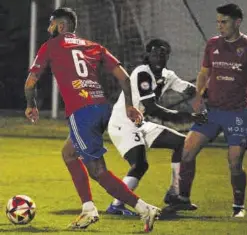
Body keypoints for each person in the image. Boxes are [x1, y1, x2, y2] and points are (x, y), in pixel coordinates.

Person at [24, 7, 161, 232]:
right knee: (69, 153)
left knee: (98, 171)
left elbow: (31, 82)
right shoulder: (93, 46)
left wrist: (31, 105)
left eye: (51, 24)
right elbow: (125, 78)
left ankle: (144, 208)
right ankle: (88, 209)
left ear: (61, 26)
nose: (48, 29)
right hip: (101, 107)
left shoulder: (50, 46)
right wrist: (129, 106)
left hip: (82, 112)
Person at [169, 3, 247, 218]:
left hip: (237, 114)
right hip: (211, 111)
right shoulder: (212, 44)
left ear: (237, 22)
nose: (220, 26)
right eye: (218, 22)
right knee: (187, 151)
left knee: (235, 163)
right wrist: (199, 96)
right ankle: (183, 199)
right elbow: (203, 73)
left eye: (224, 22)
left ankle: (238, 206)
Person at [105, 38, 208, 216]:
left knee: (182, 143)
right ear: (147, 55)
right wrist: (189, 117)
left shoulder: (168, 75)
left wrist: (210, 91)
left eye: (162, 53)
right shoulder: (142, 73)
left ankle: (175, 192)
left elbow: (190, 90)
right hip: (123, 123)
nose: (158, 56)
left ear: (168, 56)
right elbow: (152, 108)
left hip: (140, 123)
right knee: (140, 164)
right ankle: (116, 206)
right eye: (154, 53)